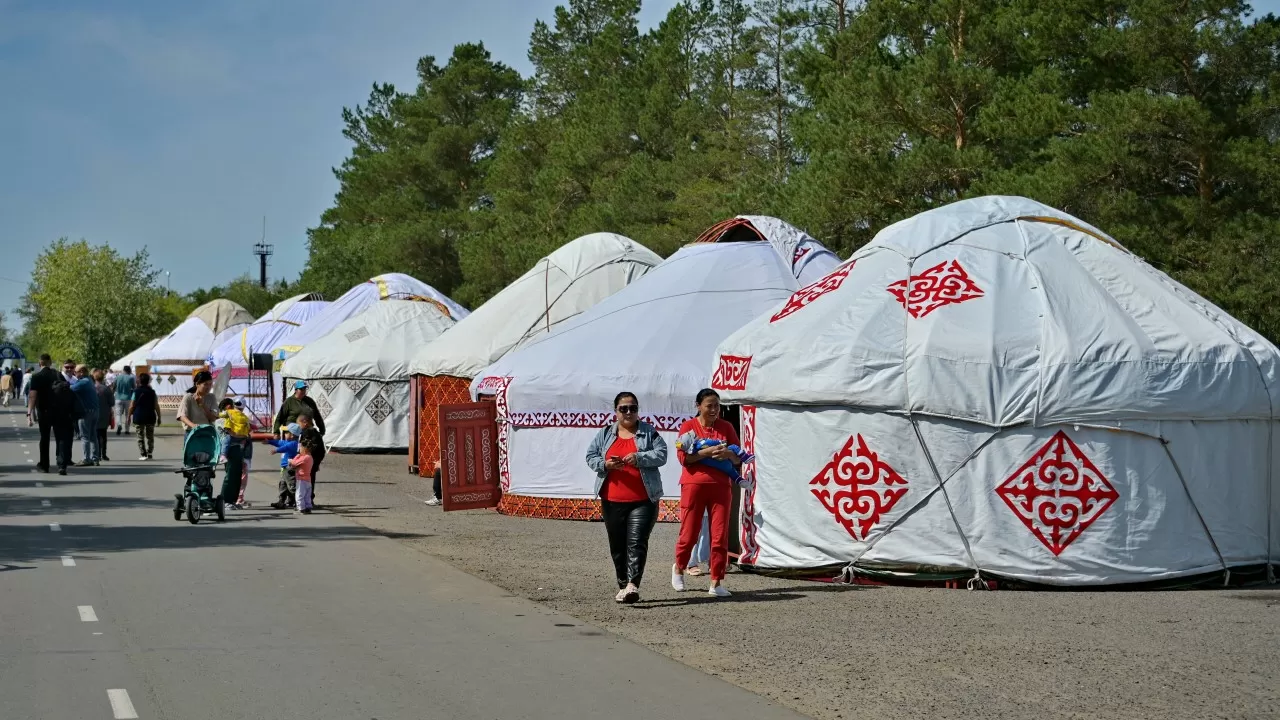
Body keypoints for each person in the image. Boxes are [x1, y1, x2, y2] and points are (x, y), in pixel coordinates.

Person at [585, 392, 669, 604]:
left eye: (633, 408)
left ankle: (633, 584)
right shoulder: (605, 434)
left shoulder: (649, 432)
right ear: (616, 412)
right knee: (617, 546)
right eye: (624, 409)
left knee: (637, 542)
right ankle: (623, 585)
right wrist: (606, 464)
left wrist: (639, 457)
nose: (629, 412)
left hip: (643, 499)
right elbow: (590, 456)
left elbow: (662, 454)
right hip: (612, 500)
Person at [672, 388, 742, 598]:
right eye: (709, 405)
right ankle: (679, 567)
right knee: (690, 532)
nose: (714, 410)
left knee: (719, 534)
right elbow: (684, 458)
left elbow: (738, 458)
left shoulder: (726, 427)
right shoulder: (689, 427)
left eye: (717, 406)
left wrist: (728, 452)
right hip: (694, 486)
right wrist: (706, 453)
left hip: (721, 487)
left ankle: (716, 581)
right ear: (698, 406)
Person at [26, 355, 65, 473]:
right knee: (60, 437)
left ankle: (44, 464)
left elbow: (32, 396)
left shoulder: (37, 377)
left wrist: (29, 414)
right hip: (59, 411)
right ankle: (61, 464)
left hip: (44, 411)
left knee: (44, 438)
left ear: (39, 363)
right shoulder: (58, 374)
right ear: (50, 362)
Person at [217, 398, 250, 507]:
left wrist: (241, 436)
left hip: (238, 449)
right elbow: (229, 434)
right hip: (229, 450)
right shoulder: (222, 420)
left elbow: (246, 433)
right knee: (230, 476)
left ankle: (233, 500)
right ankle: (224, 501)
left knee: (237, 476)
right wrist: (239, 436)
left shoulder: (240, 418)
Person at [70, 365, 100, 466]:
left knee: (85, 436)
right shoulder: (89, 380)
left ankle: (86, 459)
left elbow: (70, 389)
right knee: (93, 436)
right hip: (95, 411)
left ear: (82, 372)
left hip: (86, 412)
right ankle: (95, 458)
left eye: (76, 371)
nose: (74, 373)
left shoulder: (83, 382)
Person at [267, 424, 301, 509]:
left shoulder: (294, 443)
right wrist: (269, 441)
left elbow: (285, 447)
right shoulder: (289, 442)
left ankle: (299, 503)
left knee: (291, 486)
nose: (285, 434)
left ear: (292, 435)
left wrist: (276, 450)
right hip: (285, 468)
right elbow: (280, 442)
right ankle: (281, 501)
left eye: (286, 433)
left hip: (290, 468)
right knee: (283, 485)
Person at [296, 413, 325, 506]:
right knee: (310, 480)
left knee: (305, 481)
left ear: (305, 423)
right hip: (314, 460)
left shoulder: (307, 433)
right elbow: (321, 450)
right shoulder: (316, 433)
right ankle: (309, 499)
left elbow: (305, 447)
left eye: (299, 424)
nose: (299, 426)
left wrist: (301, 458)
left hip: (308, 460)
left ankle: (304, 500)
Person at [129, 373, 160, 460]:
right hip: (150, 416)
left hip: (138, 416)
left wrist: (128, 416)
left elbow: (132, 405)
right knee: (150, 436)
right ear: (148, 381)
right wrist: (159, 417)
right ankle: (149, 452)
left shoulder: (135, 392)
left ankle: (143, 453)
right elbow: (156, 405)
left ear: (139, 381)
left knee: (140, 436)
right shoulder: (152, 392)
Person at [235, 400, 254, 507]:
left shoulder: (233, 418)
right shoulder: (244, 419)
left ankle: (236, 498)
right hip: (243, 455)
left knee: (237, 477)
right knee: (242, 477)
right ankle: (239, 499)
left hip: (236, 454)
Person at [93, 369, 115, 462]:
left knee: (96, 435)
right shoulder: (106, 389)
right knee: (103, 435)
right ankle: (104, 454)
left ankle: (96, 454)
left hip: (94, 413)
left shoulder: (92, 388)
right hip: (105, 413)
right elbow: (112, 402)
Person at [289, 443, 315, 514]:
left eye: (300, 448)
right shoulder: (310, 457)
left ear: (305, 449)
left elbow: (294, 463)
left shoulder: (305, 457)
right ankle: (308, 507)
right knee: (307, 495)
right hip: (308, 479)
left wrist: (294, 457)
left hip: (301, 479)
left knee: (299, 494)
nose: (299, 450)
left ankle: (301, 509)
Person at [112, 366, 136, 435]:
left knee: (118, 414)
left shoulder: (117, 377)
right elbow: (134, 388)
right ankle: (127, 430)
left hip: (118, 398)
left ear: (123, 370)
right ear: (129, 371)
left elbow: (113, 387)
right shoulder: (131, 378)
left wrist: (112, 394)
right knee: (127, 415)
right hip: (128, 398)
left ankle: (119, 425)